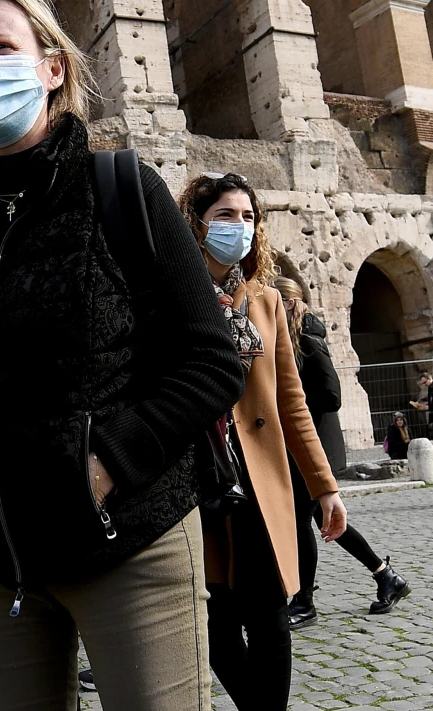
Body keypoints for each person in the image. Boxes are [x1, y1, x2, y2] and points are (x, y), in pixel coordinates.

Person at [0, 0, 246, 711]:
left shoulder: (124, 190)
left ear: (52, 67)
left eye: (0, 47)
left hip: (130, 541)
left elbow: (212, 359)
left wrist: (109, 460)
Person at [178, 172, 347, 710]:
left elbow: (292, 404)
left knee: (271, 619)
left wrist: (325, 487)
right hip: (197, 477)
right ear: (197, 223)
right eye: (226, 215)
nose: (240, 226)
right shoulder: (172, 295)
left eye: (248, 217)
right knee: (217, 620)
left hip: (259, 480)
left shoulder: (267, 301)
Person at [274, 277, 411, 624]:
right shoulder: (291, 339)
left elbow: (332, 396)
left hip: (317, 446)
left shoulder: (308, 341)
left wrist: (294, 405)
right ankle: (386, 576)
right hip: (304, 447)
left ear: (287, 303)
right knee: (326, 520)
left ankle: (304, 602)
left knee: (303, 522)